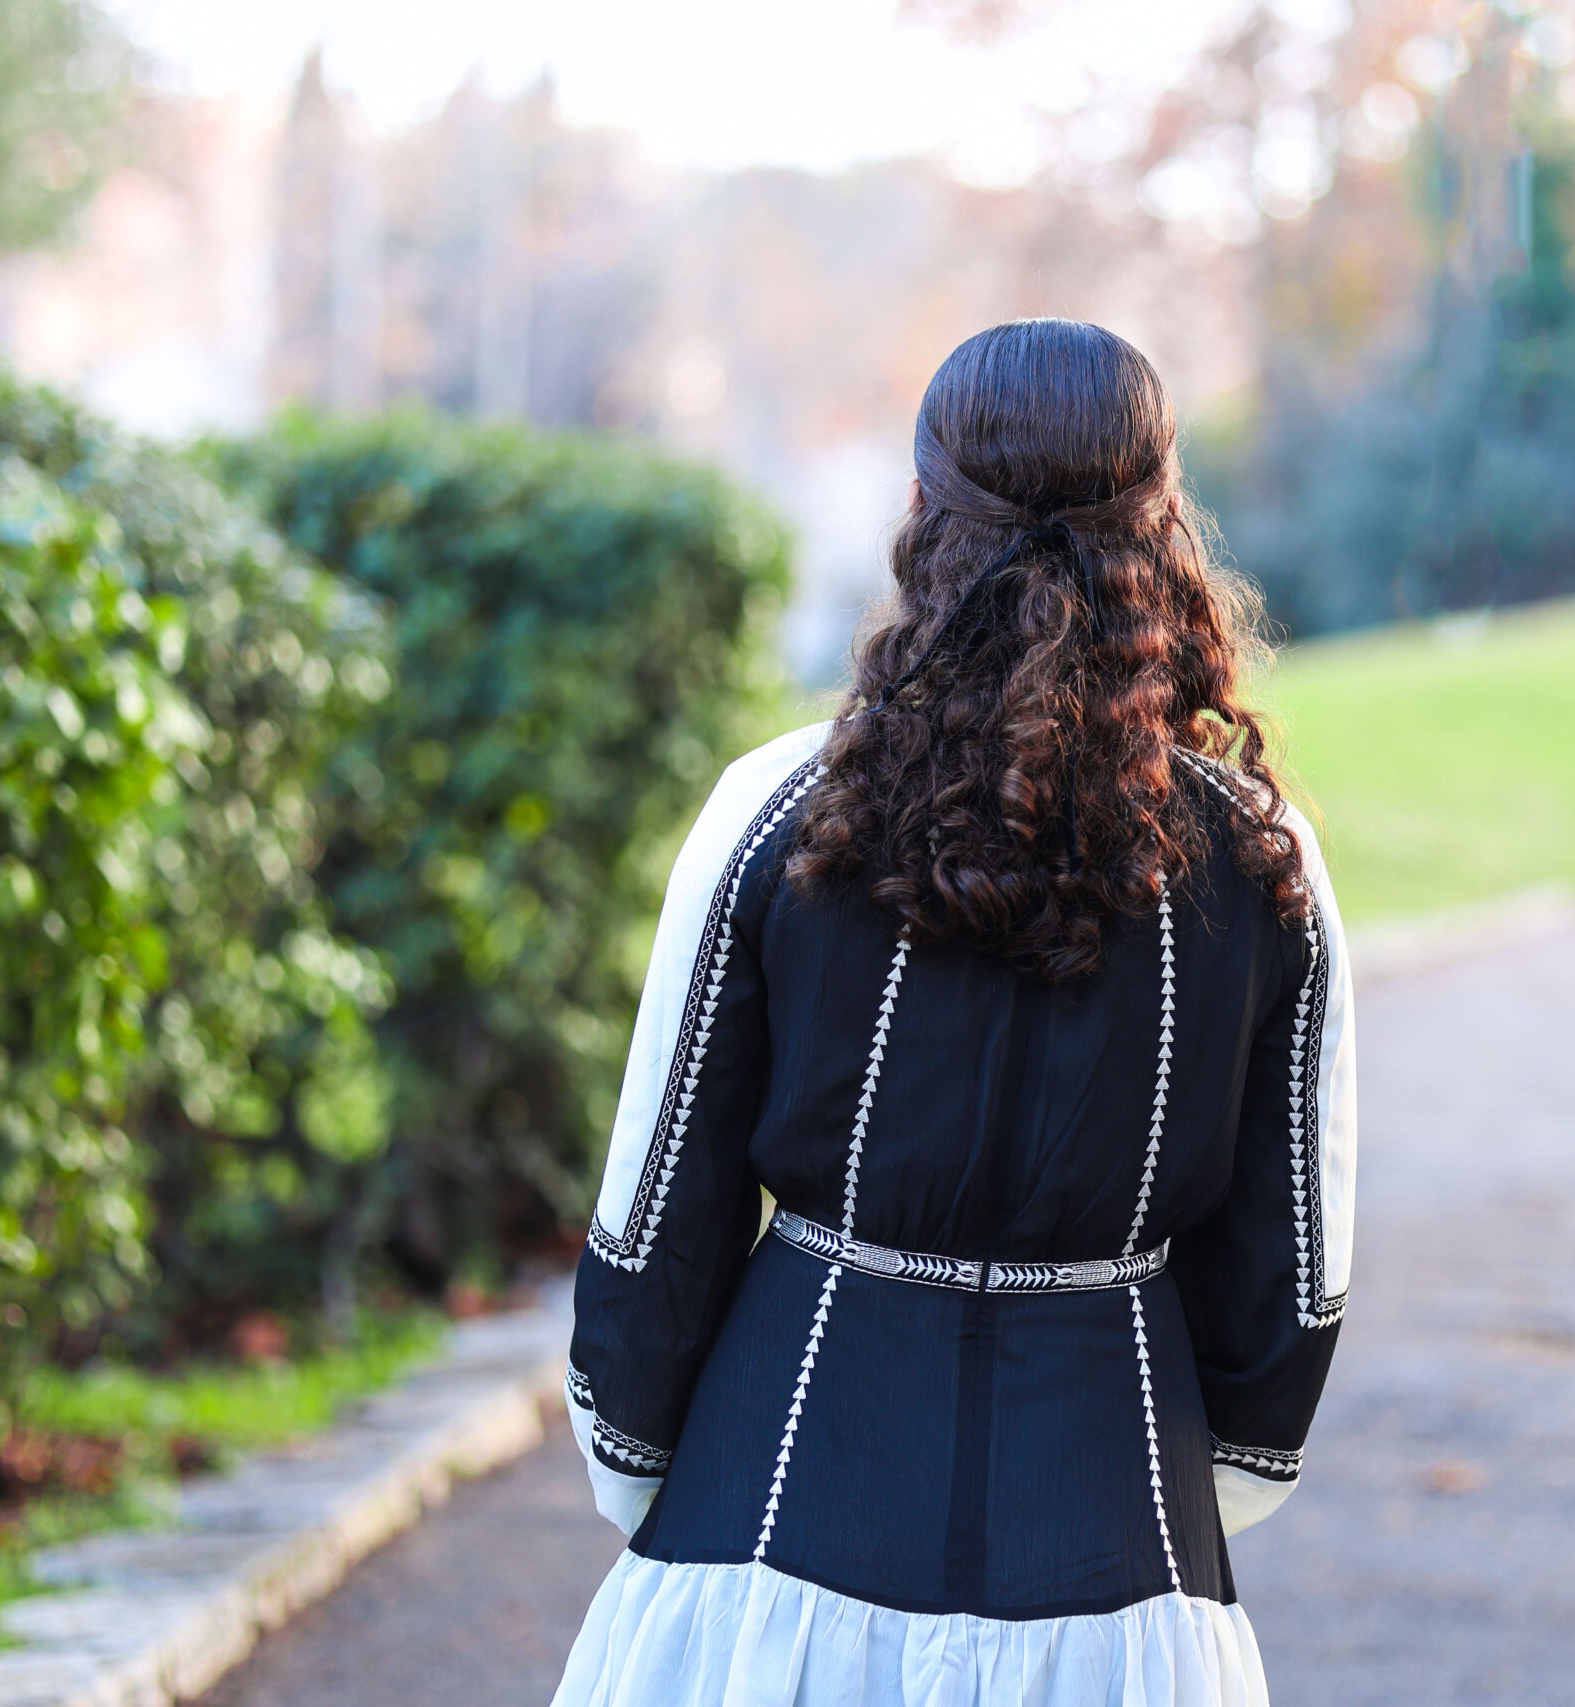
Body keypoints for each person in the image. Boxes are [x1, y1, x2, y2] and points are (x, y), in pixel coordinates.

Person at [552, 318, 1355, 1707]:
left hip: (762, 1563)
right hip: (1123, 1580)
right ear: (1163, 525)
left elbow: (660, 1211)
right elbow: (1289, 1286)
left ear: (925, 508)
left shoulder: (772, 816)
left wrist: (645, 1482)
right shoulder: (1261, 858)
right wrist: (1182, 1482)